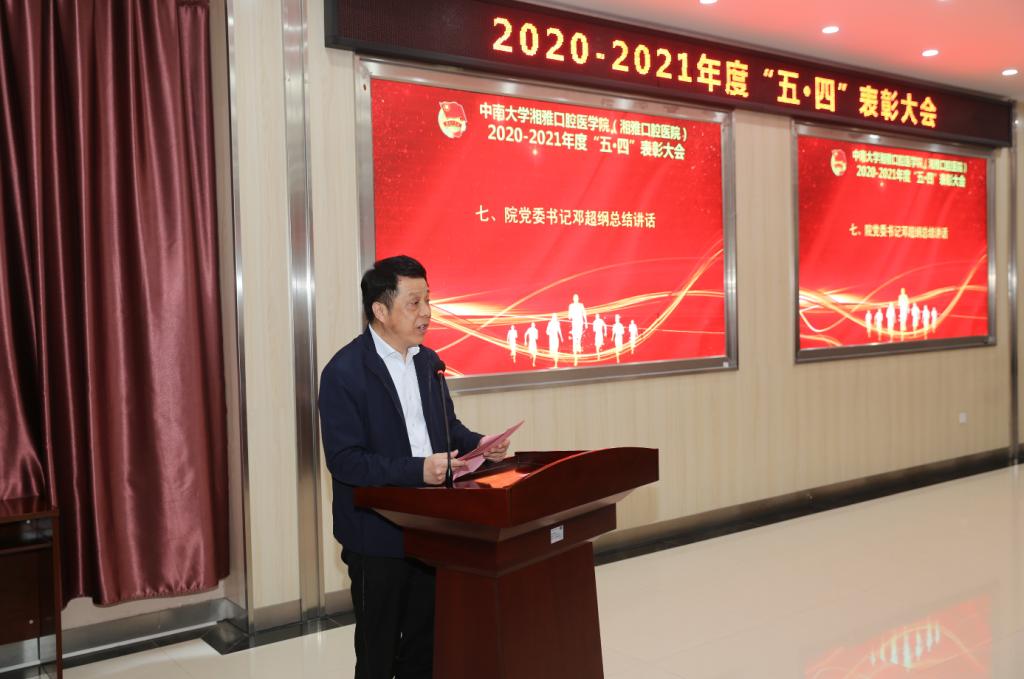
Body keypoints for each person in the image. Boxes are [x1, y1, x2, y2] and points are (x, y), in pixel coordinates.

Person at [318, 255, 510, 679]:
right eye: (414, 302)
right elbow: (345, 461)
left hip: (432, 526)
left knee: (426, 646)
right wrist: (417, 470)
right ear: (380, 310)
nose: (426, 312)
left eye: (428, 300)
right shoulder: (344, 372)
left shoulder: (428, 362)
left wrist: (480, 444)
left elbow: (446, 427)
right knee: (378, 652)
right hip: (376, 531)